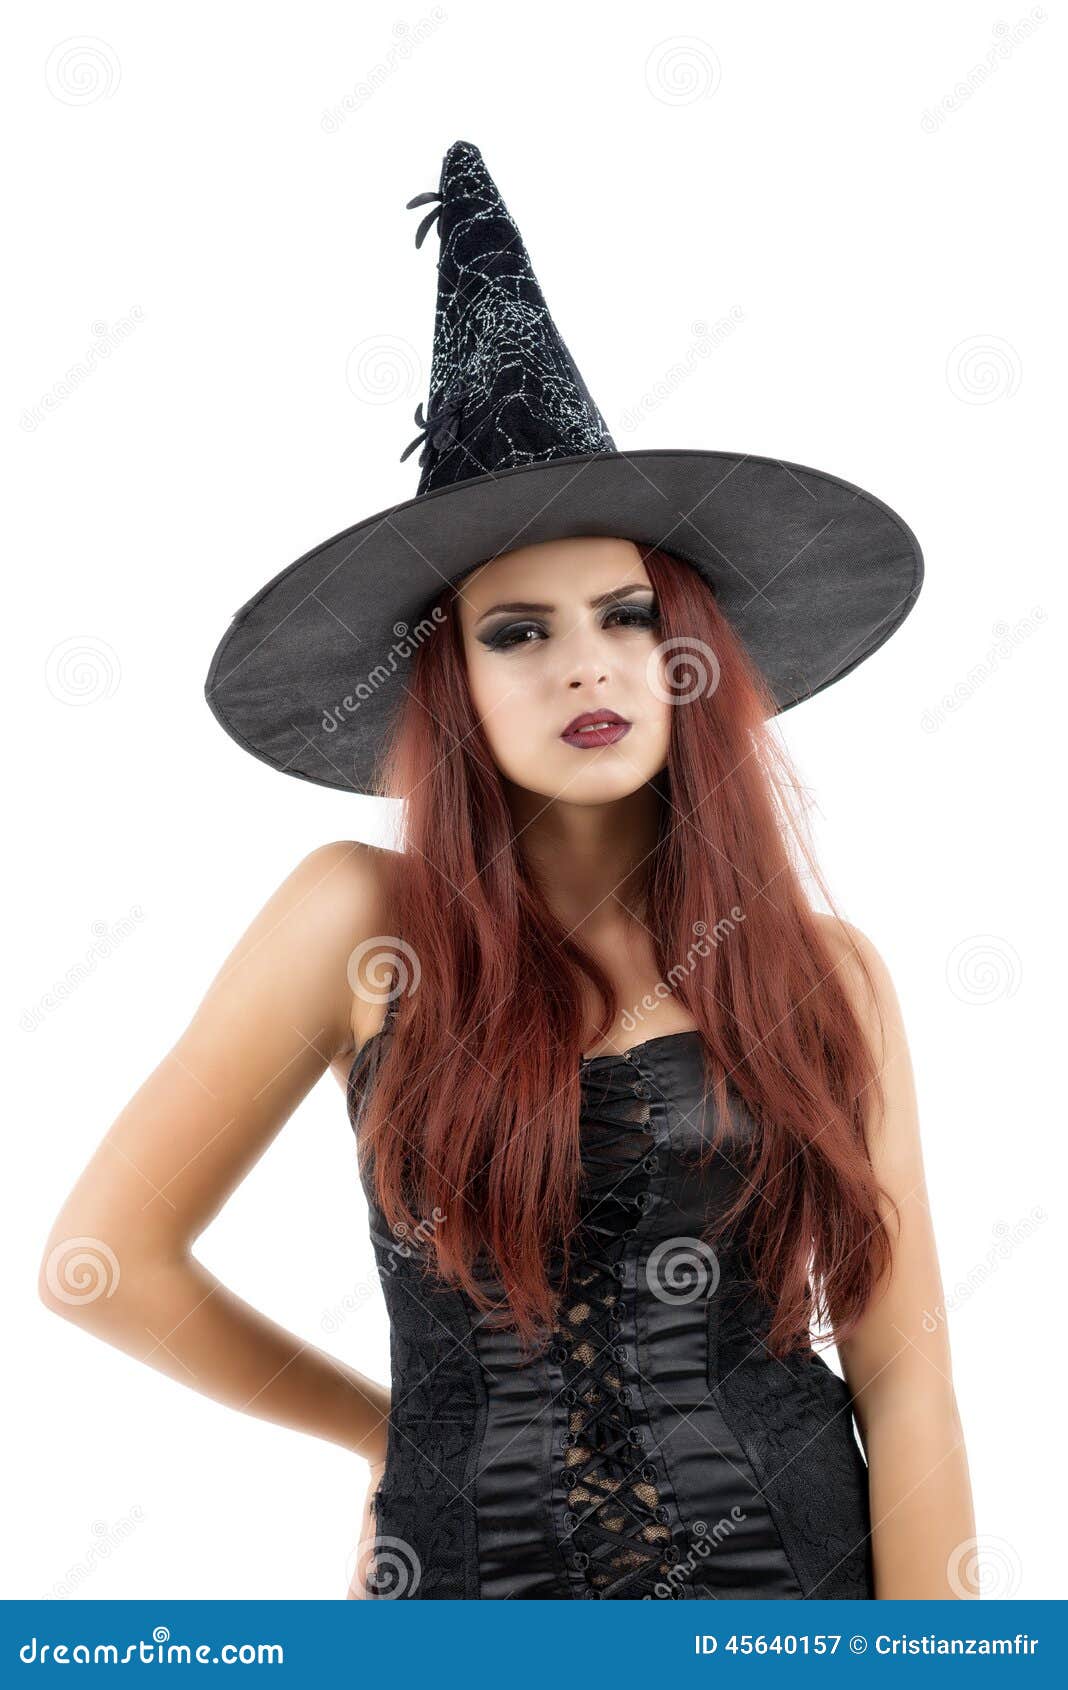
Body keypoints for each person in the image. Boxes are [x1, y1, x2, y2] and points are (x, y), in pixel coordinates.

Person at [41, 140, 975, 1600]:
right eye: (517, 630)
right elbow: (100, 1261)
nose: (586, 664)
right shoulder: (356, 920)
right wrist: (388, 1434)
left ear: (685, 655)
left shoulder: (823, 972)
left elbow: (907, 1382)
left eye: (624, 614)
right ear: (451, 684)